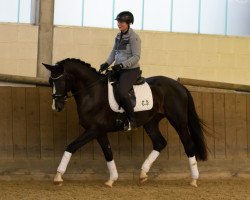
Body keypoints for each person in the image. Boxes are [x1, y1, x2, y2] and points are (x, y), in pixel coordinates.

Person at [99, 11, 141, 131]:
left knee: (122, 92)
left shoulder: (134, 37)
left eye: (121, 22)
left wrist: (122, 65)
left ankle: (132, 121)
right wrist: (106, 63)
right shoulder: (118, 36)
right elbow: (114, 52)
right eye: (118, 22)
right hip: (119, 69)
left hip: (130, 70)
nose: (119, 24)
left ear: (128, 23)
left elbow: (136, 57)